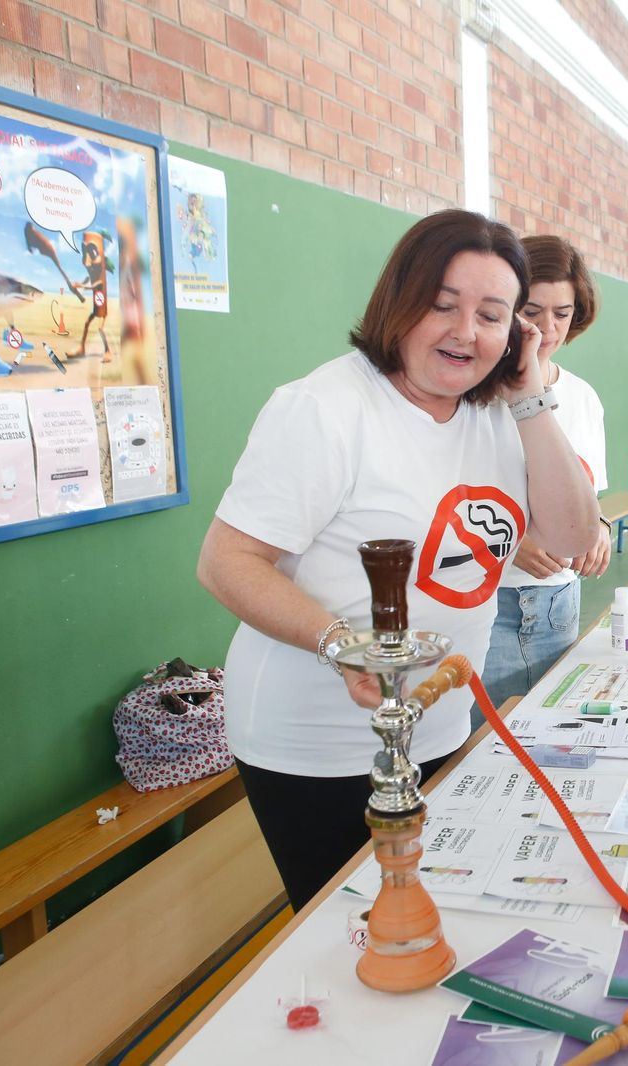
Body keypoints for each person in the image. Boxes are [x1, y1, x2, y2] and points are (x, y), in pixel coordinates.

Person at [196, 210, 600, 910]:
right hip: (316, 741)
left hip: (438, 722)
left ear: (517, 335)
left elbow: (568, 535)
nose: (465, 332)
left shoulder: (501, 411)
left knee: (431, 911)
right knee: (348, 927)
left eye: (492, 316)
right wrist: (341, 645)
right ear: (400, 301)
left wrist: (532, 399)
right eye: (443, 306)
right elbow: (227, 561)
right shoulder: (327, 408)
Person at [483, 235, 611, 709]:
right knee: (485, 747)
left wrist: (598, 529)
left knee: (551, 731)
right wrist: (510, 545)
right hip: (490, 602)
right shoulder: (478, 396)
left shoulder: (583, 397)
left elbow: (588, 492)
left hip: (560, 599)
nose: (548, 327)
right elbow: (452, 504)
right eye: (532, 311)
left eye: (563, 312)